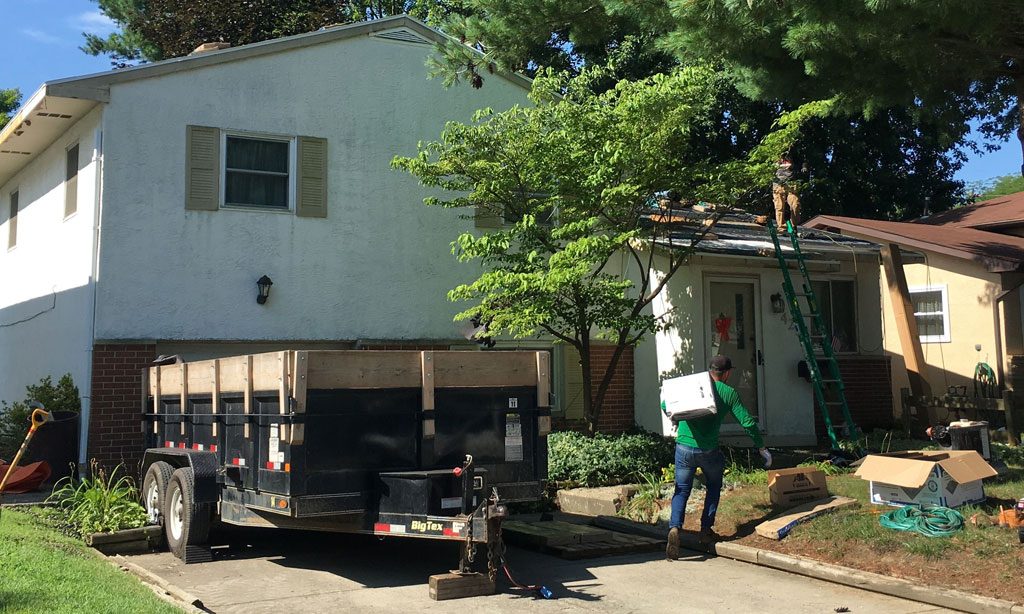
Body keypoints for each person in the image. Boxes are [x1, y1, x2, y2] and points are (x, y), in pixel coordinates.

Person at [666, 355, 772, 560]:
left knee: (681, 489)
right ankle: (705, 530)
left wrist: (677, 419)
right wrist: (761, 447)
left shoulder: (691, 385)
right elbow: (748, 423)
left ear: (710, 370)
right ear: (728, 373)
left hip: (684, 448)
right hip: (708, 451)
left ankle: (674, 528)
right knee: (714, 485)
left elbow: (665, 404)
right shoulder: (729, 393)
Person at [772, 157, 801, 230]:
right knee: (779, 206)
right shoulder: (776, 153)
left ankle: (792, 226)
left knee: (795, 204)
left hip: (792, 182)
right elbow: (772, 166)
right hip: (778, 183)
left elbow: (802, 161)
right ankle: (781, 227)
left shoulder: (795, 150)